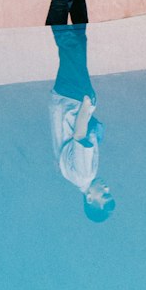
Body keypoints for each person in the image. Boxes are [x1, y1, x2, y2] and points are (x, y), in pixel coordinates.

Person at [49, 24, 116, 222]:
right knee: (77, 42)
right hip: (66, 99)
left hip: (72, 99)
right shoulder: (77, 177)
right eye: (109, 192)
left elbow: (79, 136)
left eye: (104, 194)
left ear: (89, 198)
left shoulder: (85, 175)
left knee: (71, 44)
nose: (107, 188)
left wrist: (86, 104)